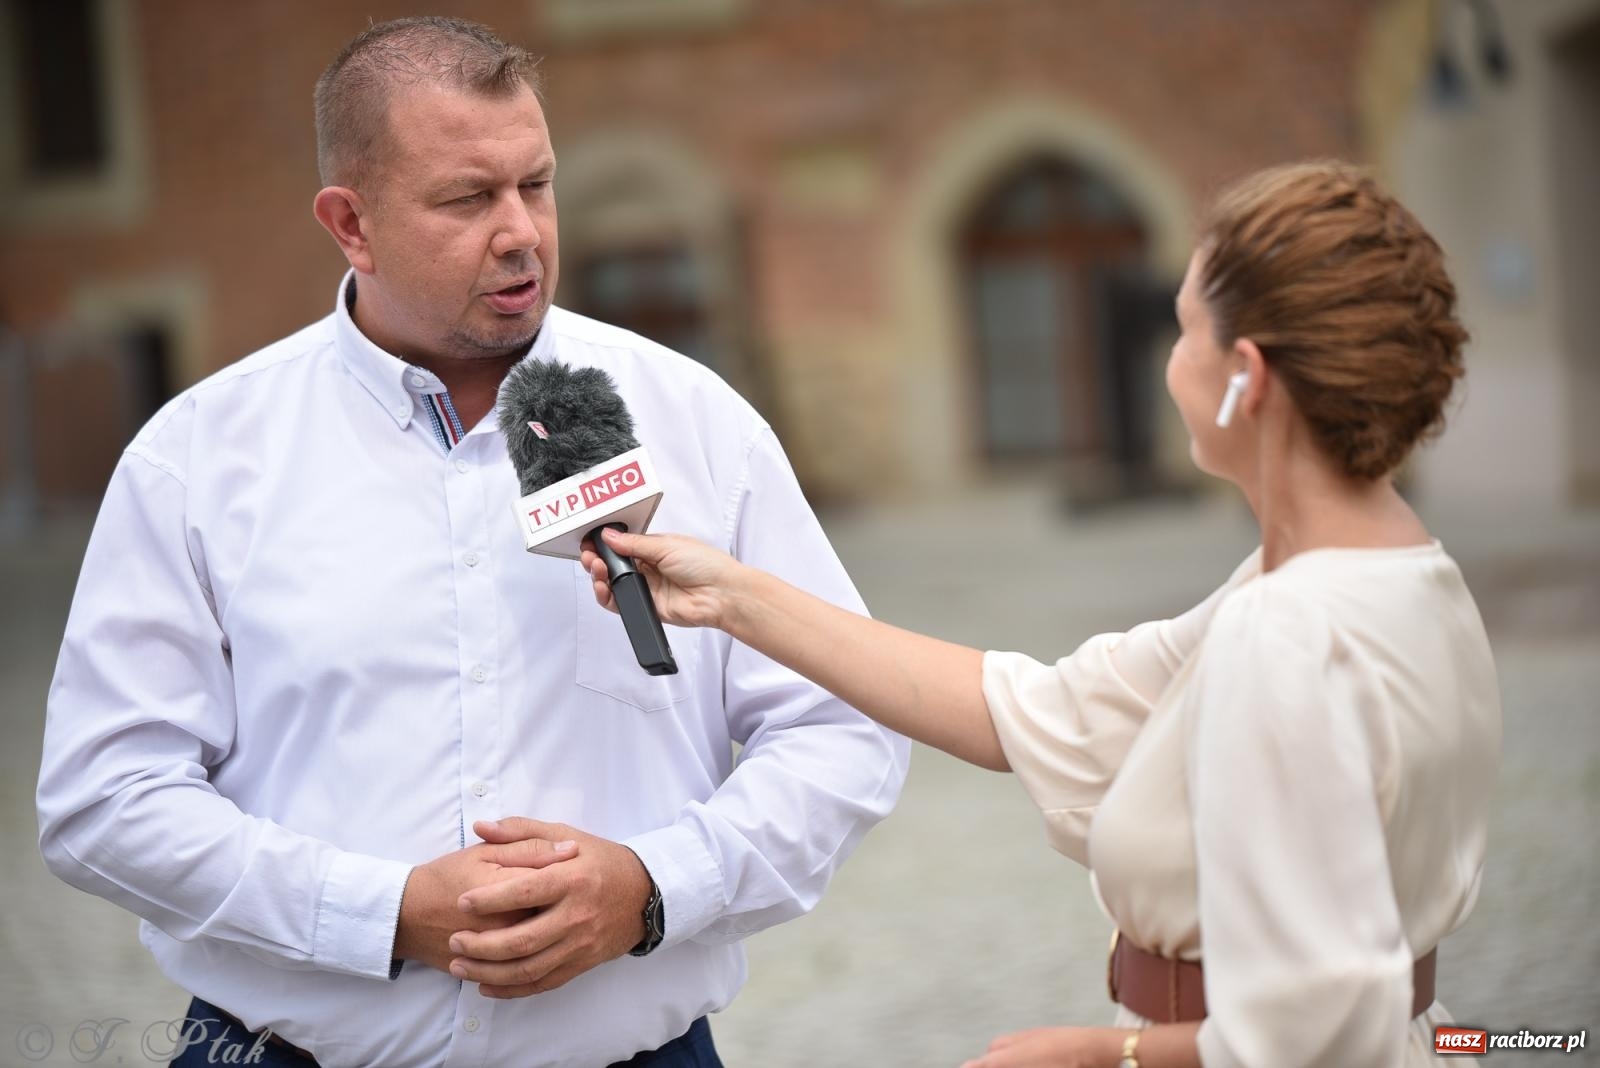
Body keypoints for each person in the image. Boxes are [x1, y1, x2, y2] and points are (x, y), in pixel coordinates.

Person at [36, 16, 906, 1068]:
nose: (521, 231)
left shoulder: (699, 425)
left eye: (536, 185)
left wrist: (654, 888)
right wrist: (381, 913)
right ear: (350, 224)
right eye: (467, 198)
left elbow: (842, 727)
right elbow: (106, 799)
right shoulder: (197, 459)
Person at [571, 161, 1502, 1067]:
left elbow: (1323, 1032)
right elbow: (1039, 711)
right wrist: (733, 596)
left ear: (1245, 377)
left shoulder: (1290, 629)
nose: (1170, 362)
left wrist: (1108, 1052)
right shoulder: (1398, 574)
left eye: (1184, 333)